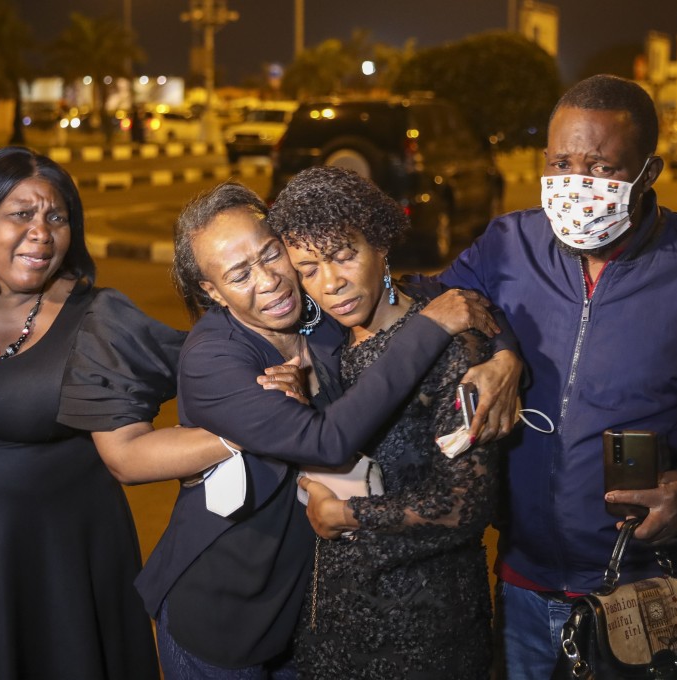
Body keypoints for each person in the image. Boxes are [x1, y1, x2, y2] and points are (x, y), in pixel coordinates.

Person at [0, 147, 286, 679]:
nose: (42, 233)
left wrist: (274, 392)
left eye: (57, 218)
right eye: (21, 214)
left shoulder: (96, 320)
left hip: (68, 556)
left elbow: (201, 370)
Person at [419, 74, 677, 678]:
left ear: (649, 171)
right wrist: (503, 351)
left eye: (603, 168)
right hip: (521, 586)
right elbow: (433, 302)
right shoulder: (508, 245)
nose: (577, 184)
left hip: (643, 599)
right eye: (561, 164)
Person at [136, 181, 519, 678]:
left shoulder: (319, 315)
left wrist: (505, 354)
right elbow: (324, 441)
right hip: (226, 613)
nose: (270, 281)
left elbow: (431, 293)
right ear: (212, 292)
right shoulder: (215, 359)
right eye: (239, 274)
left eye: (271, 254)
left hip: (320, 614)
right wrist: (431, 327)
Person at [268, 165, 501, 679]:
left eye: (343, 255)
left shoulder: (454, 349)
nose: (331, 283)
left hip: (423, 629)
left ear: (380, 244)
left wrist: (347, 515)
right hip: (330, 625)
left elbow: (464, 504)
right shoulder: (325, 347)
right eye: (308, 269)